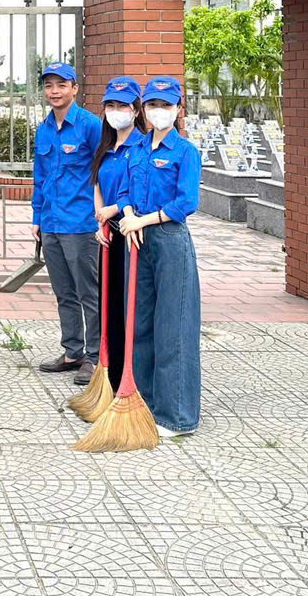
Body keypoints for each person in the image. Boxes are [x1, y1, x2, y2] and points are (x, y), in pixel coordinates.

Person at [116, 75, 203, 438]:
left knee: (173, 326)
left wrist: (144, 219)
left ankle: (176, 416)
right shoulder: (136, 149)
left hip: (169, 240)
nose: (158, 111)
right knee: (139, 324)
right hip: (137, 239)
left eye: (165, 105)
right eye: (152, 105)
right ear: (144, 109)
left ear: (178, 108)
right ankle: (144, 403)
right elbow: (123, 191)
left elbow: (186, 202)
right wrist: (128, 214)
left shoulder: (185, 152)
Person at [31, 61, 103, 386]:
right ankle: (72, 351)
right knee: (64, 292)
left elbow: (104, 171)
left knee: (89, 293)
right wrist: (37, 217)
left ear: (75, 88)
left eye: (61, 85)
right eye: (49, 85)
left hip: (82, 223)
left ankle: (95, 356)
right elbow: (40, 176)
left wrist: (103, 215)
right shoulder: (44, 129)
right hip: (51, 222)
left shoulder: (90, 126)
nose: (54, 91)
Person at [91, 76, 147, 390]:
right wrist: (99, 218)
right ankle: (111, 377)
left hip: (132, 233)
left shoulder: (141, 146)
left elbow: (139, 192)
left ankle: (132, 377)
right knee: (109, 304)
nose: (116, 111)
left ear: (136, 110)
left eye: (123, 106)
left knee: (129, 306)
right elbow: (97, 184)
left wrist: (113, 211)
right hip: (108, 234)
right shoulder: (105, 146)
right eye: (110, 105)